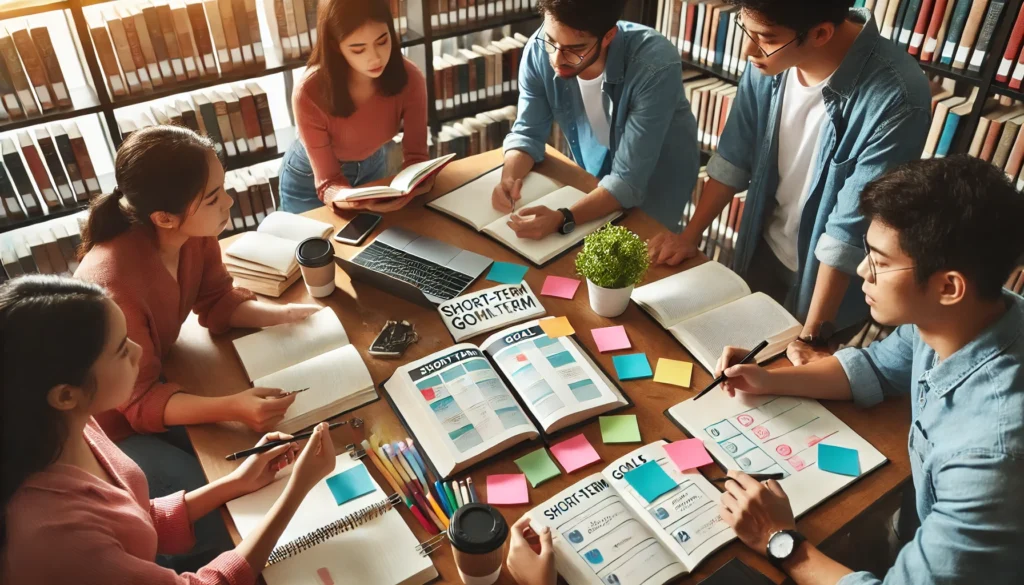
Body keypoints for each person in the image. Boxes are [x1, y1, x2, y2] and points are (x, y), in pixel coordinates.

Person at [710, 156, 1024, 584]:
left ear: (948, 286)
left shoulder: (989, 456)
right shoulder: (967, 314)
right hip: (921, 518)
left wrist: (777, 537)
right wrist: (770, 378)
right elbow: (876, 368)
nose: (861, 270)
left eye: (879, 260)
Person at [74, 125, 320, 565]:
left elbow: (216, 299)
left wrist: (281, 315)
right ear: (164, 217)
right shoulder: (112, 281)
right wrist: (235, 405)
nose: (228, 202)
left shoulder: (195, 235)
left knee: (266, 454)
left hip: (158, 384)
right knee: (224, 503)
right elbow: (140, 402)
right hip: (112, 430)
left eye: (223, 187)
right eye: (213, 197)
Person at [1, 275, 337, 583]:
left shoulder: (69, 423)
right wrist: (297, 489)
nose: (139, 351)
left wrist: (235, 482)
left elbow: (132, 523)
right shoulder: (57, 540)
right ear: (64, 394)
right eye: (121, 350)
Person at [647, 1, 931, 366]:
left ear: (820, 33)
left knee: (778, 383)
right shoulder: (770, 58)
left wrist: (813, 335)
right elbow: (735, 153)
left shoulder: (898, 96)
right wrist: (689, 236)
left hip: (827, 288)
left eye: (764, 38)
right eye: (745, 30)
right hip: (760, 250)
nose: (748, 51)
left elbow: (849, 227)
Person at [493, 0, 699, 240]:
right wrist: (509, 176)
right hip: (596, 170)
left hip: (657, 182)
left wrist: (563, 218)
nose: (557, 59)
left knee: (640, 259)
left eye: (575, 49)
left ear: (608, 36)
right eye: (551, 41)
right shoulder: (540, 49)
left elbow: (627, 182)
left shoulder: (655, 65)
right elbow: (527, 134)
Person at [278, 0, 429, 215]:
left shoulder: (410, 77)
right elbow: (328, 182)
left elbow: (417, 157)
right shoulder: (309, 93)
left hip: (374, 163)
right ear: (335, 46)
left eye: (382, 41)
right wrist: (359, 201)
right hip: (308, 176)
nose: (375, 57)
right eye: (358, 49)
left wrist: (413, 188)